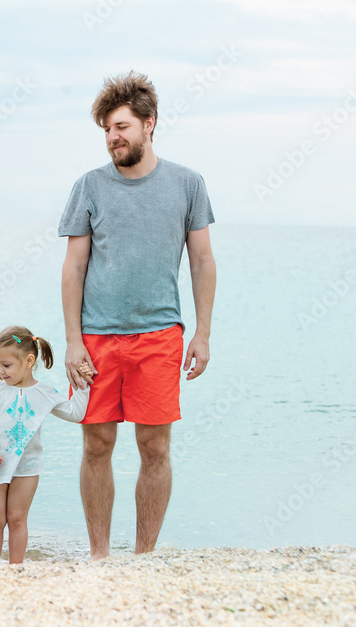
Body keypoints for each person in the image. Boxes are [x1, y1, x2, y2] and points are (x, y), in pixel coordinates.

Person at [59, 71, 217, 561]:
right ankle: (100, 556)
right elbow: (74, 266)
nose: (113, 138)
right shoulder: (89, 187)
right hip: (97, 336)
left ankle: (144, 555)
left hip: (160, 334)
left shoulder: (187, 184)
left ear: (150, 124)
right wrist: (71, 341)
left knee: (155, 448)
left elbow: (202, 262)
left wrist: (203, 335)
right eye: (107, 129)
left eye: (122, 127)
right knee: (96, 446)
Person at [0, 327, 94, 565]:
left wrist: (83, 384)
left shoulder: (44, 392)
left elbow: (75, 413)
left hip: (28, 467)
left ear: (29, 361)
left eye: (6, 365)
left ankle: (16, 568)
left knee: (17, 519)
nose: (0, 371)